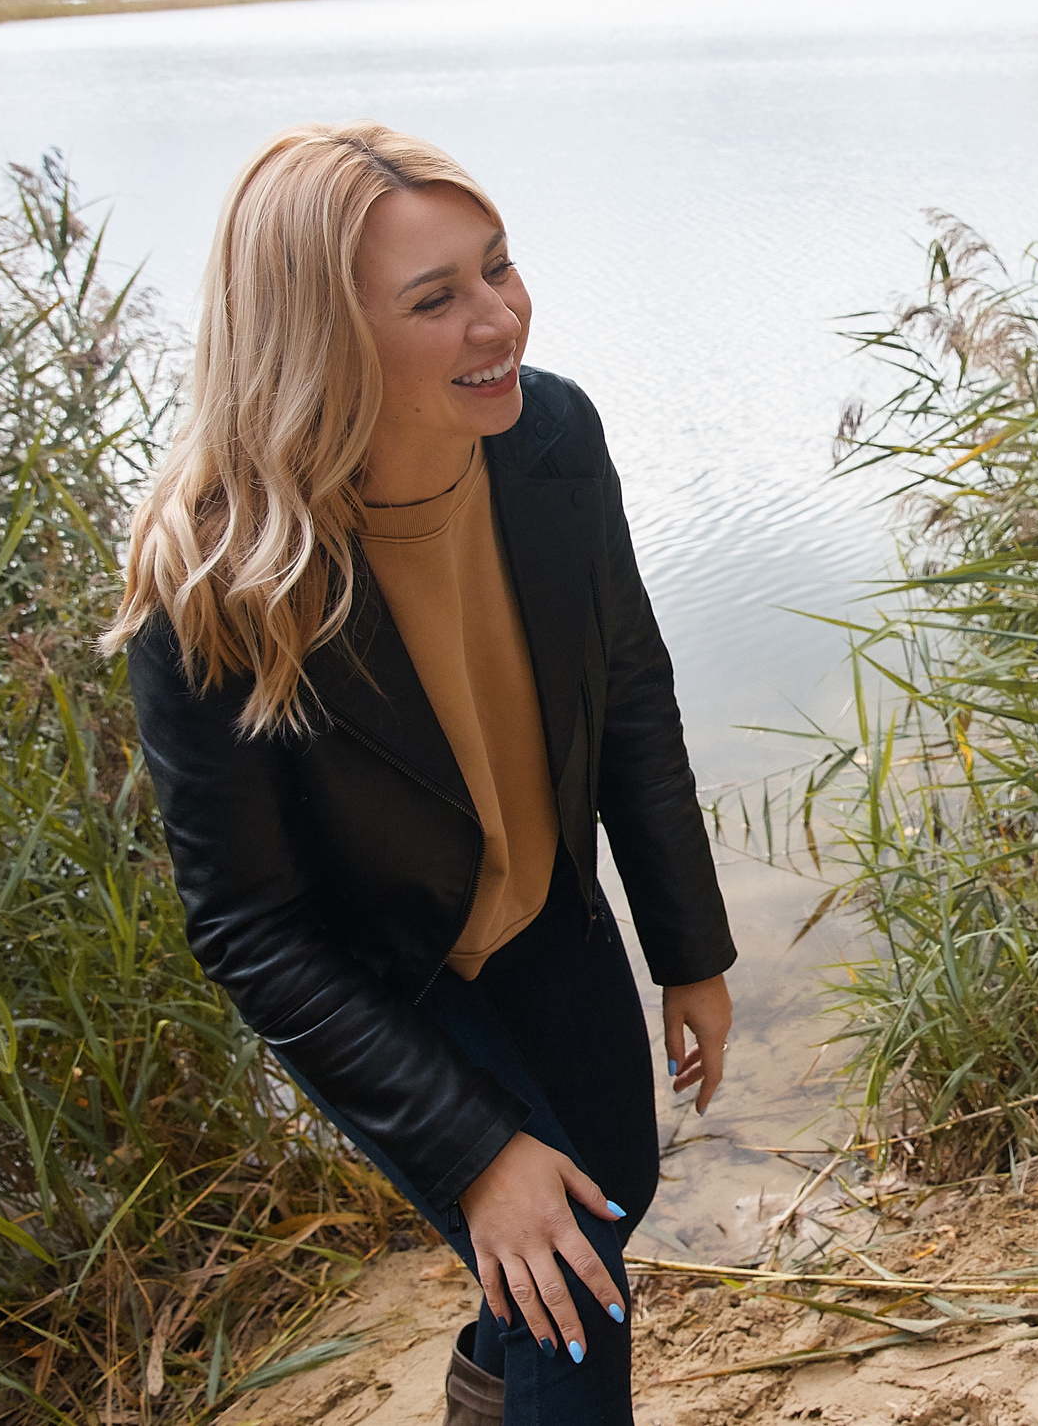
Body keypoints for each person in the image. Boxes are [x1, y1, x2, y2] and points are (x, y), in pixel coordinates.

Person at [108, 122, 736, 1425]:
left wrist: (691, 946)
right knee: (576, 1287)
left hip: (543, 907)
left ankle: (479, 1380)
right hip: (386, 968)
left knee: (609, 1185)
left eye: (498, 268)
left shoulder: (552, 435)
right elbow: (250, 923)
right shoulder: (214, 575)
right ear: (319, 335)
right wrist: (472, 1147)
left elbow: (629, 688)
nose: (498, 317)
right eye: (436, 298)